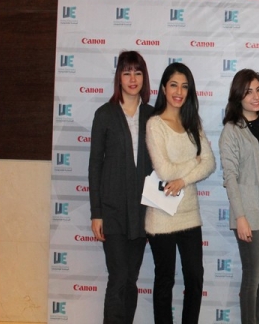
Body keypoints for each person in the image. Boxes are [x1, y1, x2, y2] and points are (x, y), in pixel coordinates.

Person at [145, 62, 216, 324]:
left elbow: (210, 163)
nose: (179, 91)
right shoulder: (155, 124)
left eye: (184, 86)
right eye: (174, 85)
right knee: (165, 280)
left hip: (189, 215)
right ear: (164, 88)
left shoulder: (192, 122)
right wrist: (194, 162)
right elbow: (164, 170)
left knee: (195, 279)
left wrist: (183, 179)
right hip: (161, 216)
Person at [88, 50, 153, 324]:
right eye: (127, 73)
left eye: (137, 73)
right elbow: (95, 165)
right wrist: (96, 213)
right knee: (118, 277)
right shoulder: (104, 114)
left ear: (144, 77)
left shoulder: (153, 115)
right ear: (119, 77)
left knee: (131, 279)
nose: (132, 79)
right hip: (112, 211)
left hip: (142, 212)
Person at [219, 69, 259, 324]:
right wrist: (240, 217)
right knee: (252, 277)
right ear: (238, 96)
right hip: (248, 214)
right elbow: (230, 177)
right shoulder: (231, 130)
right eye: (248, 92)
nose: (256, 96)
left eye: (258, 90)